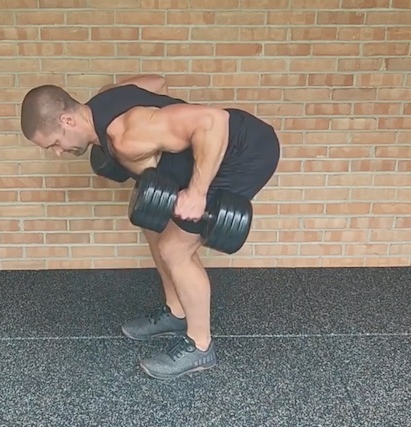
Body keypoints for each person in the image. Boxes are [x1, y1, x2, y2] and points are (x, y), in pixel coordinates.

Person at [19, 74, 280, 380]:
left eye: (55, 143)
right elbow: (158, 83)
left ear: (67, 119)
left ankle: (200, 346)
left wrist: (197, 192)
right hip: (215, 147)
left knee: (175, 249)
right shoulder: (104, 98)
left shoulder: (127, 135)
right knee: (153, 226)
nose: (58, 152)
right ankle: (175, 311)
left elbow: (213, 121)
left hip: (242, 151)